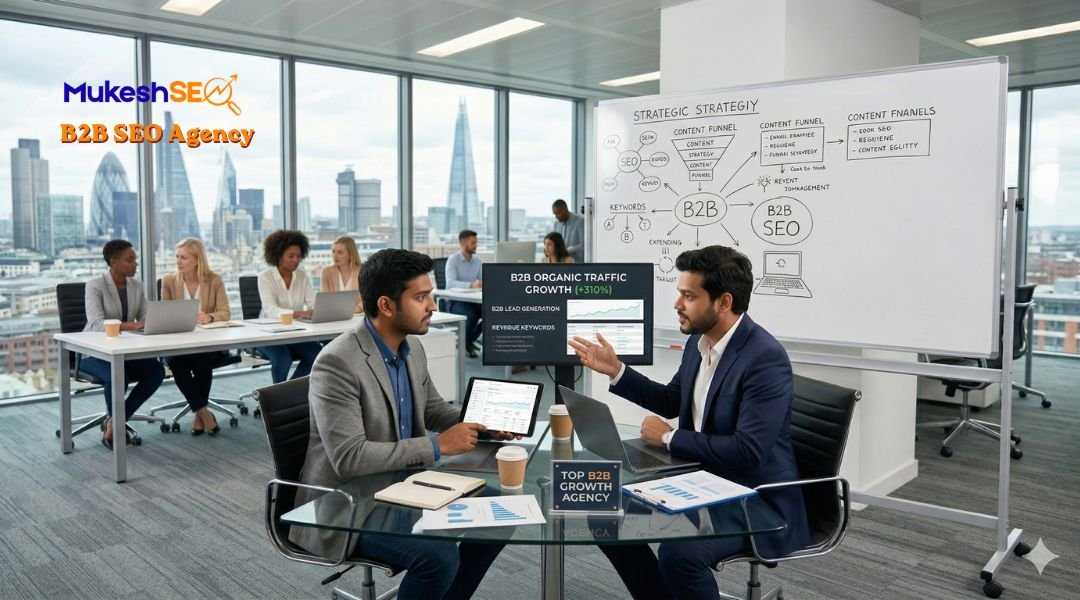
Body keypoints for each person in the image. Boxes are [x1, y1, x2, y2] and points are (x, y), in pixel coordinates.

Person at [569, 246, 811, 599]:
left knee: (680, 554)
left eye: (688, 296)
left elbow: (748, 452)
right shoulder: (701, 342)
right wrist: (616, 370)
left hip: (754, 497)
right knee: (606, 516)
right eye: (679, 294)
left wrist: (670, 438)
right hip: (703, 481)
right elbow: (671, 400)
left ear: (723, 302)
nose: (677, 304)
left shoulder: (764, 359)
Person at [292, 248, 513, 600]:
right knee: (437, 558)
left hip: (405, 485)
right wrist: (439, 445)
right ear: (386, 305)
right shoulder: (337, 363)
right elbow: (349, 458)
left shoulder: (410, 348)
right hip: (347, 504)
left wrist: (481, 423)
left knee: (499, 514)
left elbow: (434, 409)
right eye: (421, 297)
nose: (432, 306)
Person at [81, 239, 166, 450]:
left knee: (156, 371)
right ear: (114, 262)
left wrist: (152, 324)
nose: (136, 263)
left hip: (124, 350)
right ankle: (117, 429)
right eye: (130, 259)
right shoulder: (95, 285)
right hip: (92, 353)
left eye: (135, 259)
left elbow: (146, 319)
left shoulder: (137, 286)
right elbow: (96, 324)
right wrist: (134, 325)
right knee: (116, 375)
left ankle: (115, 422)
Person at [161, 238, 229, 435]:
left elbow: (225, 312)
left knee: (202, 360)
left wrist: (209, 316)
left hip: (207, 342)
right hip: (179, 343)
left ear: (197, 260)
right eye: (177, 257)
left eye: (184, 258)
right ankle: (204, 414)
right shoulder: (169, 281)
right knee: (175, 362)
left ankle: (200, 415)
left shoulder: (214, 280)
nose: (178, 262)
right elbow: (165, 314)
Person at [257, 229, 323, 383]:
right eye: (291, 256)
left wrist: (317, 310)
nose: (295, 260)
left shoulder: (301, 276)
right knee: (283, 359)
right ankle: (276, 402)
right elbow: (271, 310)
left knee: (317, 354)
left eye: (298, 256)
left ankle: (290, 392)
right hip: (268, 334)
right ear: (278, 256)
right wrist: (299, 314)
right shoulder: (265, 277)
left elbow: (313, 303)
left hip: (295, 333)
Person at [445, 229, 482, 358]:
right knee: (470, 316)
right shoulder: (453, 260)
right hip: (456, 301)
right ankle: (466, 344)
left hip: (474, 300)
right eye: (473, 242)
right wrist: (470, 285)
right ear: (463, 243)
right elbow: (450, 283)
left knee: (493, 313)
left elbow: (481, 281)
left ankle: (468, 340)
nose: (476, 245)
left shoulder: (477, 261)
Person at [321, 235, 364, 314]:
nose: (335, 256)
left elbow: (369, 297)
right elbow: (325, 300)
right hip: (335, 316)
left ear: (350, 255)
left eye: (340, 252)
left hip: (357, 316)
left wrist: (358, 308)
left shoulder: (362, 271)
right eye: (333, 251)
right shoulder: (326, 272)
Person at [551, 199, 584, 263]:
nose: (556, 216)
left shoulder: (580, 221)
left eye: (558, 213)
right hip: (561, 262)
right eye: (554, 214)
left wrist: (568, 250)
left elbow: (583, 245)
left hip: (576, 262)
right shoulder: (556, 224)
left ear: (565, 210)